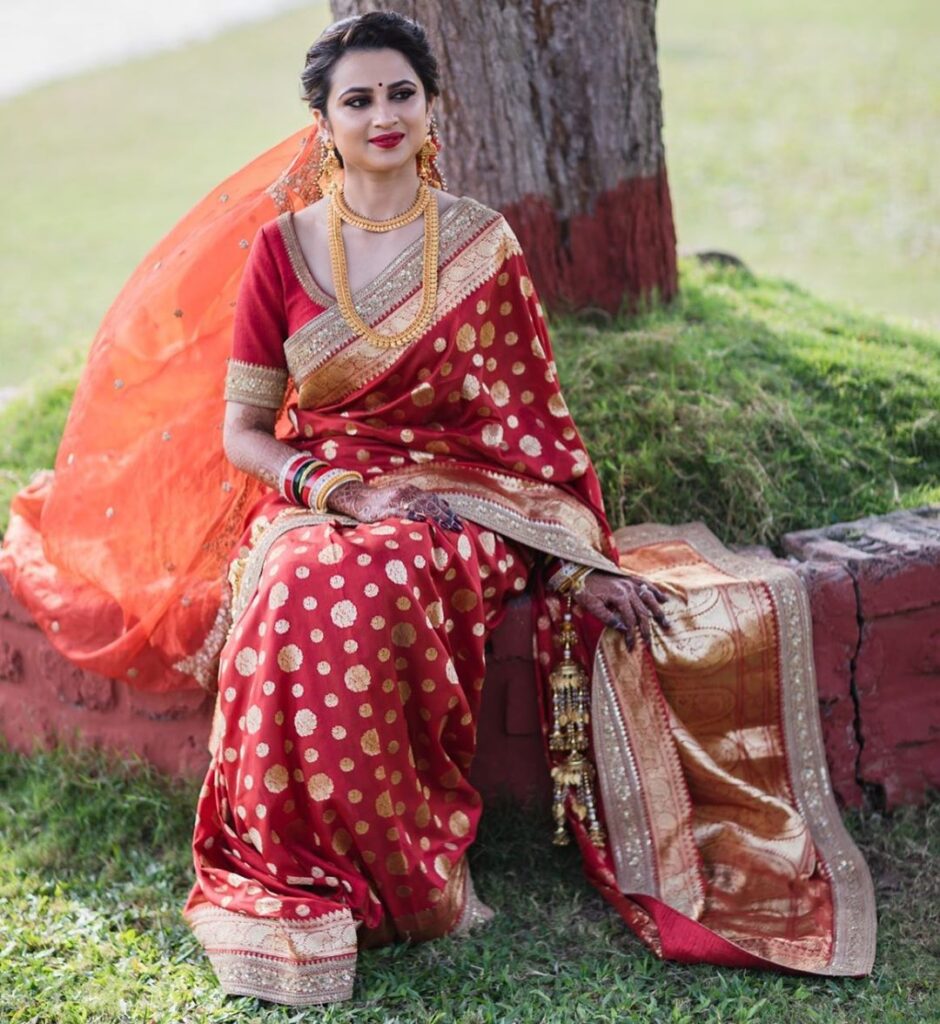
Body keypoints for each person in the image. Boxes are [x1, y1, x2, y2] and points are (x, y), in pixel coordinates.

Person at [0, 11, 875, 1009]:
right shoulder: (280, 250)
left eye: (400, 94)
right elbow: (244, 430)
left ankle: (408, 878)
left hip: (464, 501)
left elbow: (532, 424)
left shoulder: (477, 244)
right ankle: (293, 871)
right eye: (357, 99)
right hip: (320, 490)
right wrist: (335, 491)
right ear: (322, 122)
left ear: (431, 107)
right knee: (296, 578)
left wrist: (572, 561)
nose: (382, 115)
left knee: (371, 577)